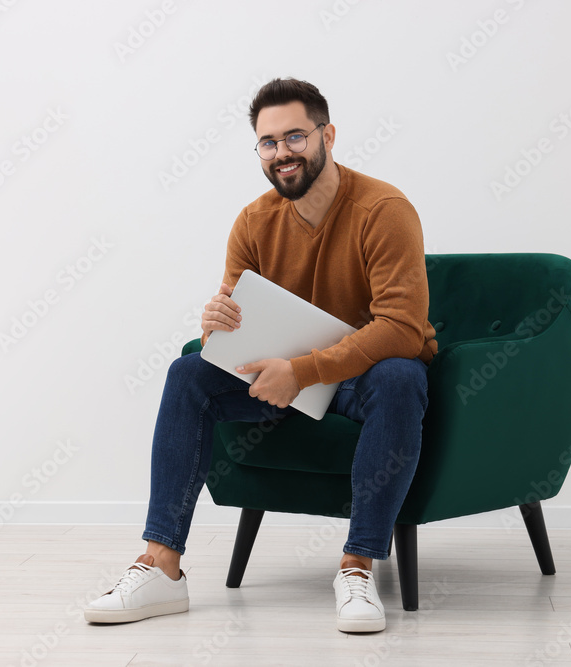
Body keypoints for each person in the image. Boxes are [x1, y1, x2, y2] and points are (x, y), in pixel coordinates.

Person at [84, 77, 437, 633]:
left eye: (294, 137)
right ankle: (161, 566)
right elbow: (232, 331)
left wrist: (302, 372)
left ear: (328, 135)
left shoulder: (384, 209)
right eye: (267, 143)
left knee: (401, 376)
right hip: (284, 376)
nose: (282, 154)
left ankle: (358, 567)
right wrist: (215, 330)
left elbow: (401, 329)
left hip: (362, 376)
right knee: (188, 374)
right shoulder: (253, 221)